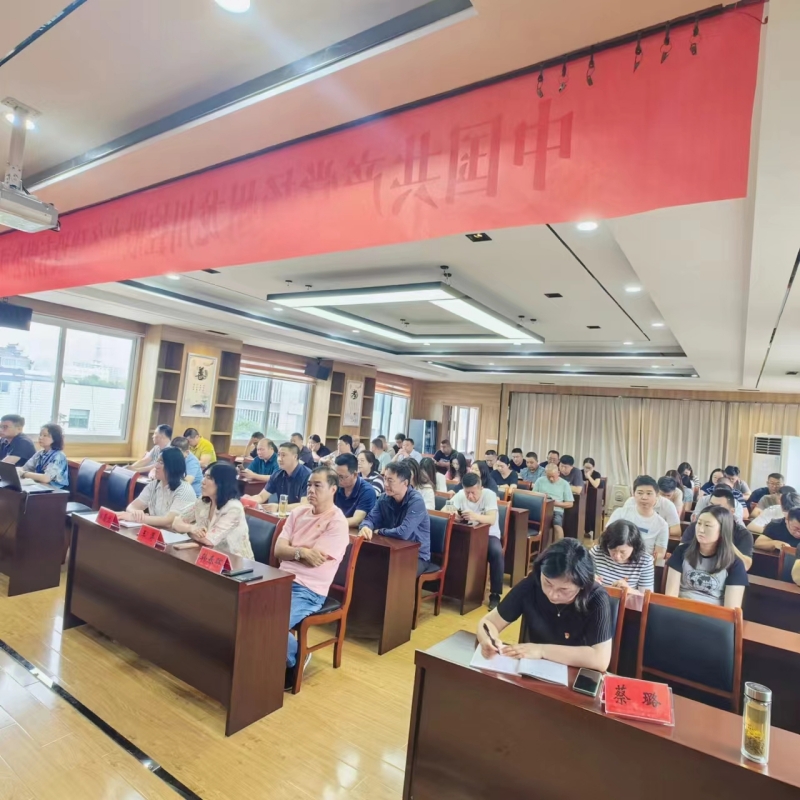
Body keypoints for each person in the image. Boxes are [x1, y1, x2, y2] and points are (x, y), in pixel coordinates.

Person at [476, 539, 612, 671]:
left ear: (582, 585)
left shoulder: (596, 598)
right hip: (533, 671)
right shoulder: (532, 584)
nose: (552, 594)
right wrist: (488, 640)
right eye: (547, 583)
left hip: (576, 675)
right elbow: (488, 622)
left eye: (563, 590)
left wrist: (542, 650)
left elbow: (600, 659)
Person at [274, 467, 350, 688]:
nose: (311, 490)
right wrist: (302, 552)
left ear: (333, 489)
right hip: (280, 579)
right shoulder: (298, 513)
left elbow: (314, 560)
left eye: (318, 485)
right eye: (309, 485)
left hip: (308, 589)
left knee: (273, 622)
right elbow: (279, 550)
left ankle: (297, 657)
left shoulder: (337, 522)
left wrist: (295, 552)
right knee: (247, 611)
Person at [665, 505, 748, 608]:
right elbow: (670, 596)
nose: (701, 530)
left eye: (708, 525)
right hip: (680, 609)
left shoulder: (735, 563)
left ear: (722, 530)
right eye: (699, 523)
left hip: (712, 614)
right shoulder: (681, 551)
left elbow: (731, 609)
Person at [358, 462, 431, 575]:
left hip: (416, 556)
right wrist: (365, 527)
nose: (386, 484)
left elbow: (403, 533)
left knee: (392, 573)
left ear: (405, 483)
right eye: (385, 479)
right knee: (363, 564)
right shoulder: (384, 498)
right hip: (391, 550)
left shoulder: (416, 502)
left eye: (390, 480)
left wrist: (380, 531)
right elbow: (370, 519)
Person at [172, 462, 253, 559]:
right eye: (204, 476)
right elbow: (176, 522)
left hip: (234, 561)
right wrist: (191, 528)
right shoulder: (203, 501)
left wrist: (187, 531)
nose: (203, 481)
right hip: (208, 555)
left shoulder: (234, 508)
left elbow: (209, 540)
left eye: (209, 478)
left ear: (222, 482)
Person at [450, 473, 503, 609]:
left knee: (496, 552)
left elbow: (491, 519)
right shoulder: (460, 495)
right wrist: (454, 515)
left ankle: (495, 594)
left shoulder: (489, 495)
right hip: (467, 534)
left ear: (480, 488)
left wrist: (475, 516)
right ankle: (453, 589)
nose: (469, 496)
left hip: (488, 535)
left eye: (473, 493)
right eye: (467, 492)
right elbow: (445, 509)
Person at [680, 486, 753, 571]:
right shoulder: (696, 526)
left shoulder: (743, 534)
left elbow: (745, 566)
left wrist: (725, 539)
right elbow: (680, 554)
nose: (712, 510)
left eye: (718, 508)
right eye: (711, 505)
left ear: (731, 512)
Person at [119, 446, 196, 527]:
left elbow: (169, 521)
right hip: (156, 530)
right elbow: (131, 507)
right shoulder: (154, 484)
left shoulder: (184, 490)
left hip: (174, 533)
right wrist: (135, 512)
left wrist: (137, 518)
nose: (156, 466)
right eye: (157, 461)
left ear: (173, 466)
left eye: (161, 463)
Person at [608, 475, 669, 561]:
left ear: (657, 496)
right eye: (640, 493)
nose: (644, 497)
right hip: (616, 559)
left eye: (649, 493)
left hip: (642, 564)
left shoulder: (662, 525)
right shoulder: (620, 513)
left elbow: (660, 554)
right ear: (633, 494)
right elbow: (607, 538)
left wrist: (643, 561)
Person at [590, 519, 655, 593]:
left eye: (622, 552)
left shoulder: (645, 561)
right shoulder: (596, 552)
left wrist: (629, 590)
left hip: (627, 600)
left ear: (634, 547)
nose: (617, 556)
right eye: (613, 550)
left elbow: (646, 597)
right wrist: (589, 580)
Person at [254, 442, 312, 511]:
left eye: (283, 455)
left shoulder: (308, 476)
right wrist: (248, 500)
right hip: (283, 514)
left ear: (295, 457)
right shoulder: (277, 474)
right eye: (278, 455)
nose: (279, 459)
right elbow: (261, 497)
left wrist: (279, 507)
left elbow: (305, 505)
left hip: (302, 515)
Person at [18, 423, 69, 490]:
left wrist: (23, 474)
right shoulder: (40, 453)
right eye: (40, 435)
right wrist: (16, 470)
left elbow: (46, 478)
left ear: (55, 438)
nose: (40, 438)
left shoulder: (58, 456)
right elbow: (25, 468)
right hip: (40, 486)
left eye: (45, 435)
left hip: (55, 490)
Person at [334, 453, 377, 527]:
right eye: (336, 475)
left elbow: (356, 520)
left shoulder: (367, 491)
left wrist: (331, 523)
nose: (337, 480)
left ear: (355, 475)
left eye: (341, 477)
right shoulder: (334, 485)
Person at [533, 464, 574, 541]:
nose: (551, 479)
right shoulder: (540, 481)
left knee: (557, 527)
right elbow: (533, 496)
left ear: (558, 473)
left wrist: (555, 503)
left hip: (556, 510)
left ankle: (560, 546)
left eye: (553, 476)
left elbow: (570, 504)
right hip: (541, 508)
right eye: (549, 477)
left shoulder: (564, 484)